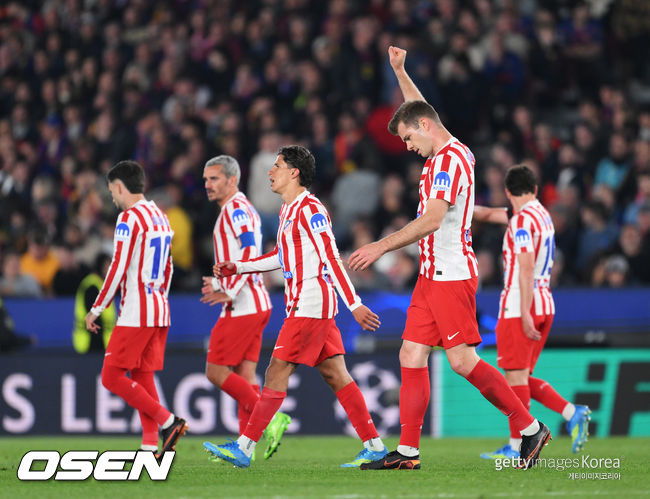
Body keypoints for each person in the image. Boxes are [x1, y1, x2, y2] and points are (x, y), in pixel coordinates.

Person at [348, 46, 550, 470]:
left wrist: (380, 246)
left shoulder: (447, 163)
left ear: (424, 129)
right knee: (410, 355)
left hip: (451, 274)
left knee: (462, 361)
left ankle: (529, 427)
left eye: (408, 138)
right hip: (431, 275)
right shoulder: (447, 146)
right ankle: (408, 453)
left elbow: (432, 220)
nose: (407, 147)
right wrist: (400, 71)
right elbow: (421, 111)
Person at [203, 145, 387, 468]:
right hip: (308, 306)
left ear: (294, 172)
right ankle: (375, 446)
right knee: (337, 375)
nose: (270, 172)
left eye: (276, 166)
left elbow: (331, 258)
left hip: (310, 305)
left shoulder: (311, 209)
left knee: (276, 370)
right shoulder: (288, 210)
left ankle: (244, 447)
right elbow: (280, 256)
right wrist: (239, 267)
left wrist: (354, 304)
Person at [473, 165, 591, 460]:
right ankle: (572, 412)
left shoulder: (521, 221)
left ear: (507, 192)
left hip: (520, 304)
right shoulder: (541, 214)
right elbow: (486, 213)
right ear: (535, 190)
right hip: (545, 301)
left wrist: (524, 310)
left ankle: (517, 447)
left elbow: (525, 267)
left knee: (514, 378)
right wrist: (456, 209)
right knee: (521, 378)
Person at [84, 160, 187, 458]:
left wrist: (97, 308)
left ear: (119, 187)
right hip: (159, 308)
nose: (112, 197)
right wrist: (159, 297)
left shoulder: (129, 219)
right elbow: (168, 268)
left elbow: (117, 267)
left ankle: (169, 421)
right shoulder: (161, 217)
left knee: (110, 376)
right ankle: (149, 446)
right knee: (142, 377)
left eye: (111, 191)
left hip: (136, 311)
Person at [200, 155, 290, 459]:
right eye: (206, 179)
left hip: (243, 305)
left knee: (215, 371)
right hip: (255, 302)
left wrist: (228, 290)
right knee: (245, 376)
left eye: (214, 178)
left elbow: (250, 249)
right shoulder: (239, 208)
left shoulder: (235, 209)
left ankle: (271, 419)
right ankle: (243, 449)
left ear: (232, 179)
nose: (208, 184)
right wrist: (220, 283)